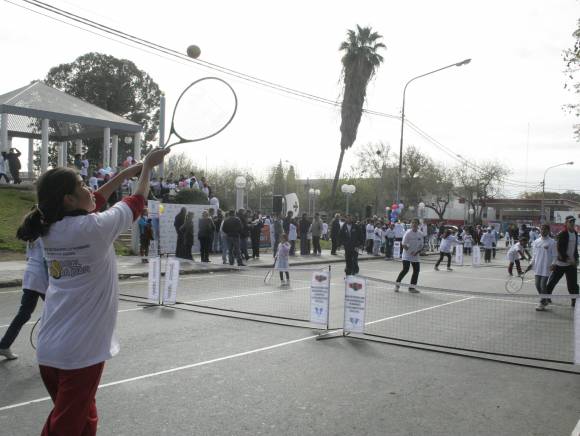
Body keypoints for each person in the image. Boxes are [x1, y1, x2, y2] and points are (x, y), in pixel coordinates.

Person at [14, 148, 166, 435]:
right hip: (80, 354)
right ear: (68, 199)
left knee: (85, 419)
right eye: (82, 185)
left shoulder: (49, 227)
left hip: (50, 350)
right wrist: (147, 168)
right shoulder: (95, 228)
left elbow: (95, 199)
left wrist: (126, 172)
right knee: (66, 427)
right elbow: (137, 200)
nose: (90, 189)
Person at [0, 238, 48, 360]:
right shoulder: (44, 236)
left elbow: (28, 257)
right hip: (41, 277)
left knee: (24, 314)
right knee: (56, 314)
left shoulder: (32, 234)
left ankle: (4, 345)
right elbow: (46, 260)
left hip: (30, 275)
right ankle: (50, 348)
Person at [539, 215, 579, 310]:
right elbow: (559, 250)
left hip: (571, 265)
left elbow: (574, 248)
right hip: (560, 264)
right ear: (566, 223)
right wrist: (568, 260)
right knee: (552, 282)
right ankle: (546, 299)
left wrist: (576, 259)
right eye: (570, 222)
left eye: (573, 222)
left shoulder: (575, 233)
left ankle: (575, 301)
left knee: (573, 285)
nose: (572, 223)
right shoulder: (562, 234)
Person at [525, 224, 557, 311]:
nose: (543, 231)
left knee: (543, 285)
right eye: (542, 229)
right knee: (537, 285)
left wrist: (553, 264)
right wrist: (531, 264)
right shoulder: (536, 242)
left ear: (548, 231)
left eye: (545, 229)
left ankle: (542, 302)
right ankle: (545, 299)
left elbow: (555, 256)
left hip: (546, 267)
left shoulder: (552, 242)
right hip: (537, 267)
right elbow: (534, 255)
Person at [394, 218, 424, 293]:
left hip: (415, 255)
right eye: (413, 223)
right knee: (405, 269)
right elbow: (403, 244)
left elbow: (421, 245)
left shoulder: (420, 233)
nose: (414, 224)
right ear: (411, 224)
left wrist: (417, 252)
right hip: (406, 255)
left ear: (418, 224)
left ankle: (412, 288)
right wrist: (410, 251)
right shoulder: (408, 233)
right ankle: (397, 285)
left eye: (415, 223)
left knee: (416, 271)